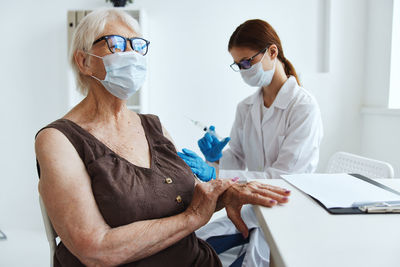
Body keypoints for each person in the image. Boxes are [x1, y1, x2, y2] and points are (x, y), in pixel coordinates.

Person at [34, 9, 290, 267]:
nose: (131, 55)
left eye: (137, 45)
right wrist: (192, 218)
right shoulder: (58, 140)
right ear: (84, 61)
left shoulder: (152, 126)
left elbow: (185, 200)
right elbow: (96, 250)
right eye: (117, 44)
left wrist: (228, 194)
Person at [178, 19, 323, 266]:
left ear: (272, 52)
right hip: (250, 207)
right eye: (238, 65)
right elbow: (238, 157)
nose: (244, 69)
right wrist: (215, 160)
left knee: (251, 261)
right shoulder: (245, 107)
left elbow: (283, 179)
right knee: (195, 245)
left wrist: (216, 174)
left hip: (287, 209)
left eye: (248, 62)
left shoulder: (303, 107)